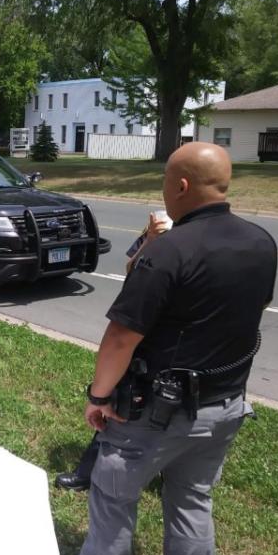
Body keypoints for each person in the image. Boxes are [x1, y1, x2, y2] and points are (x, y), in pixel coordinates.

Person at [65, 142, 277, 555]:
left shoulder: (169, 251)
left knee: (113, 498)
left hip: (155, 414)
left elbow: (121, 337)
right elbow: (251, 309)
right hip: (224, 406)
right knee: (192, 501)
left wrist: (98, 396)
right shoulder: (262, 242)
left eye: (165, 180)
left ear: (180, 186)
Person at [54, 211, 171, 492]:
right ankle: (88, 471)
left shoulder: (209, 238)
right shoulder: (161, 221)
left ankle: (169, 475)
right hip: (145, 332)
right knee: (121, 397)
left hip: (180, 341)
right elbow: (132, 269)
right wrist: (152, 239)